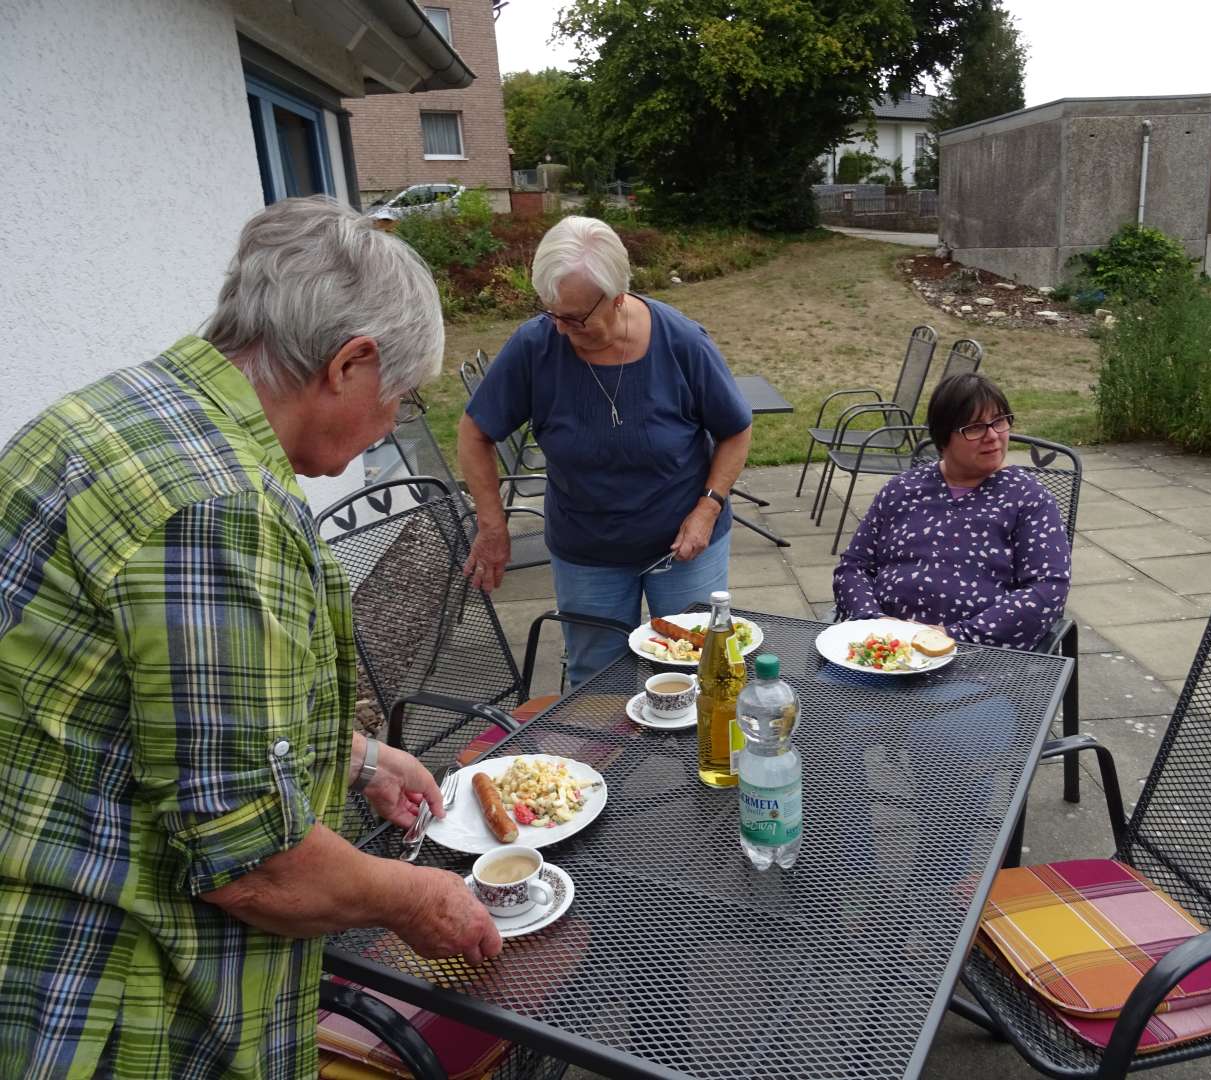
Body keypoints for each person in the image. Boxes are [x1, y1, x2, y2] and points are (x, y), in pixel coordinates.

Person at [0, 197, 501, 1079]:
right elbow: (256, 867)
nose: (392, 427)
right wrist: (412, 897)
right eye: (399, 399)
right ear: (351, 363)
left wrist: (358, 759)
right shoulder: (220, 509)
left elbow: (159, 707)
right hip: (110, 1005)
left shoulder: (104, 417)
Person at [459, 216, 753, 685]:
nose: (559, 328)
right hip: (587, 553)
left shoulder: (682, 344)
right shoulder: (535, 346)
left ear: (618, 298)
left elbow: (736, 430)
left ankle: (697, 762)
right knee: (596, 683)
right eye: (551, 312)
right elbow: (474, 433)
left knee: (699, 672)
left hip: (683, 549)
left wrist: (708, 507)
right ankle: (607, 762)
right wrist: (492, 525)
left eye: (575, 318)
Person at [832, 373, 1071, 650]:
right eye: (975, 427)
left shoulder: (1028, 499)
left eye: (999, 421)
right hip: (883, 649)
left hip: (977, 657)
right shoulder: (901, 490)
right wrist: (874, 623)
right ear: (943, 437)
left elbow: (1046, 589)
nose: (993, 436)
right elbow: (854, 567)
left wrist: (952, 635)